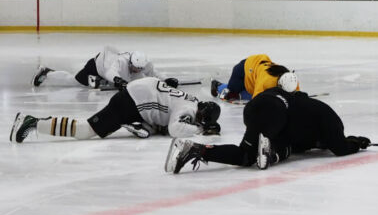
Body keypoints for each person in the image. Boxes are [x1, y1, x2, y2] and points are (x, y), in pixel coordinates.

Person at [165, 85, 370, 173]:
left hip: (256, 107)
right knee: (251, 154)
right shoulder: (332, 122)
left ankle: (194, 149)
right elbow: (340, 147)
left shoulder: (309, 117)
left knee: (254, 152)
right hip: (275, 112)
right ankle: (267, 149)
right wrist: (356, 144)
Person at [10, 77, 220, 143]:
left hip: (139, 95)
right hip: (131, 101)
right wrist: (200, 130)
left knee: (155, 128)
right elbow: (176, 129)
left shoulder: (193, 100)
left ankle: (138, 124)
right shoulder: (188, 109)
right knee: (85, 131)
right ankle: (34, 122)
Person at [32, 47, 170, 89]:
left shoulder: (143, 64)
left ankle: (101, 82)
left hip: (108, 69)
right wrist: (118, 81)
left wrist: (167, 80)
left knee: (137, 81)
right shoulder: (121, 62)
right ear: (130, 63)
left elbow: (154, 73)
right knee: (73, 81)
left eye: (140, 69)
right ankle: (46, 73)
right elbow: (111, 72)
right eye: (135, 68)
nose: (137, 71)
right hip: (97, 66)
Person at [210, 55, 298, 101]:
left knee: (267, 95)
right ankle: (217, 85)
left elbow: (297, 95)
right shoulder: (266, 80)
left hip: (257, 70)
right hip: (244, 69)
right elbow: (256, 100)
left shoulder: (292, 79)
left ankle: (242, 92)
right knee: (232, 93)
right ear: (279, 84)